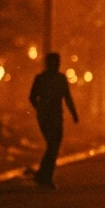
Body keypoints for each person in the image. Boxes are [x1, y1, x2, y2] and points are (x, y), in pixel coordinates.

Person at [29, 52, 78, 188]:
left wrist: (74, 113)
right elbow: (32, 97)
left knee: (54, 147)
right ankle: (45, 177)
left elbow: (67, 97)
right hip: (46, 117)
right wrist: (40, 109)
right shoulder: (40, 79)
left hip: (56, 116)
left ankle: (43, 175)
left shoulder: (60, 79)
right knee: (52, 145)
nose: (55, 65)